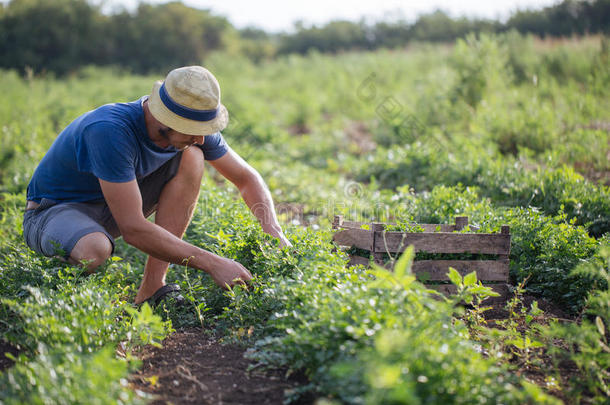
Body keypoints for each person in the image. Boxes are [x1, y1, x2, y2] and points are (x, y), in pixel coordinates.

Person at [23, 65, 291, 306]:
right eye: (193, 128)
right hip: (53, 212)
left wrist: (274, 231)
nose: (201, 137)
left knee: (193, 157)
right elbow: (134, 230)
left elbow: (246, 178)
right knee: (94, 251)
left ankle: (152, 290)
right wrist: (214, 264)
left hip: (111, 206)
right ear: (166, 120)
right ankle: (54, 297)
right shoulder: (109, 130)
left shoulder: (194, 131)